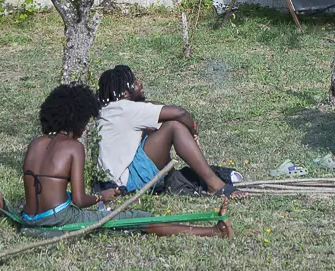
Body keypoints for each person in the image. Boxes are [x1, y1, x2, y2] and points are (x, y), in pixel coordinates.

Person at [0, 82, 230, 238]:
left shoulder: (36, 144)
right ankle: (211, 231)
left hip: (30, 221)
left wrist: (8, 211)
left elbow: (42, 192)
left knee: (133, 218)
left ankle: (211, 230)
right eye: (84, 123)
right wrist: (100, 197)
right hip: (58, 221)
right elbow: (81, 201)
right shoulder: (73, 148)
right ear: (78, 121)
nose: (84, 129)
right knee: (137, 218)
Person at [94, 65, 240, 198]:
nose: (139, 83)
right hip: (127, 182)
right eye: (134, 82)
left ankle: (192, 179)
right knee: (173, 127)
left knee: (154, 129)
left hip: (113, 182)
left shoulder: (110, 110)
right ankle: (215, 185)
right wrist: (193, 131)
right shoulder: (125, 109)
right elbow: (179, 113)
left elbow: (155, 108)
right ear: (125, 93)